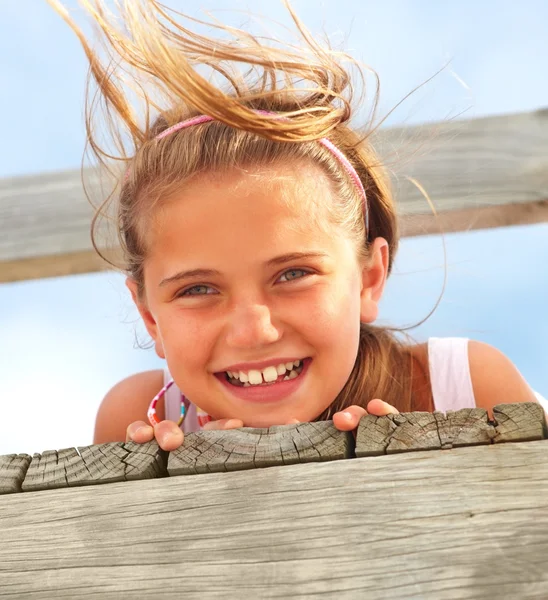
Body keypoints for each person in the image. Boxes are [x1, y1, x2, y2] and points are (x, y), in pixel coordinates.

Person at [50, 0, 542, 453]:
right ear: (151, 317)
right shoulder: (135, 418)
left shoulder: (463, 387)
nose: (254, 331)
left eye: (293, 274)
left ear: (369, 277)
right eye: (198, 288)